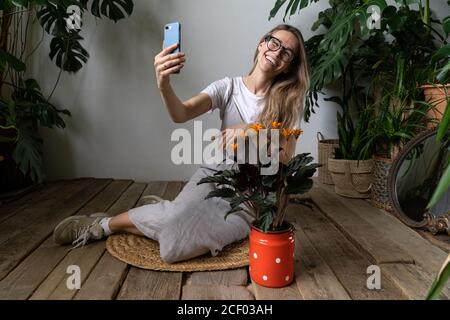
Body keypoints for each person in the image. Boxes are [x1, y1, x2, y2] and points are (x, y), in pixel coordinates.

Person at [52, 24, 310, 263]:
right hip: (215, 176)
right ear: (261, 44)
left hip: (250, 196)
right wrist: (163, 84)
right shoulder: (228, 88)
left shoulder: (287, 103)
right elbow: (181, 114)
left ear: (289, 66)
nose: (277, 53)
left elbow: (285, 160)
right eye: (274, 43)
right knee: (175, 226)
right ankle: (105, 225)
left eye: (287, 53)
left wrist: (252, 131)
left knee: (173, 249)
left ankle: (162, 212)